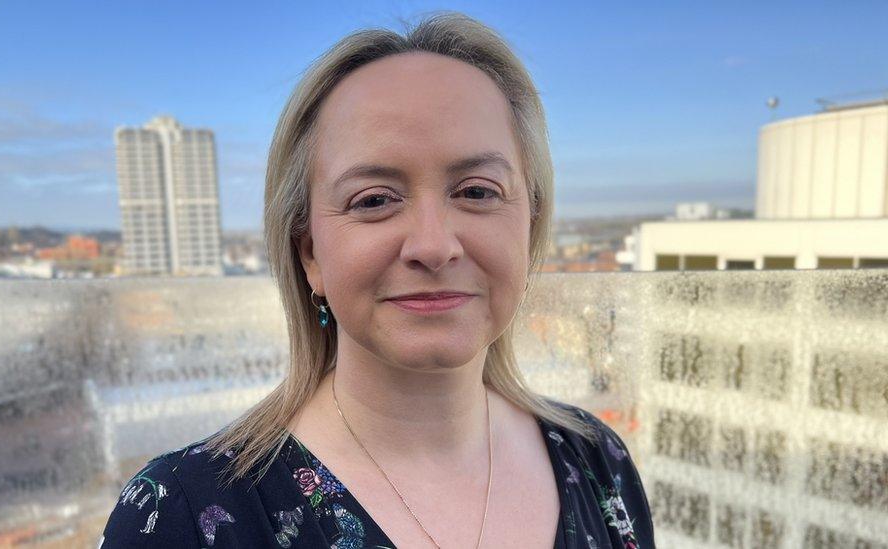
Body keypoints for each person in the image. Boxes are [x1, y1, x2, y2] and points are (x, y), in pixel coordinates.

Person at [101, 12, 654, 549]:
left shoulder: (597, 460)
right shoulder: (183, 517)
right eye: (374, 200)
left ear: (530, 226)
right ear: (311, 254)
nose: (434, 246)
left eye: (477, 191)